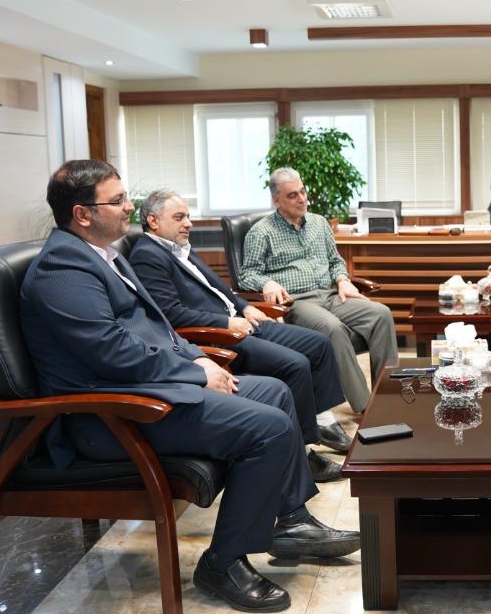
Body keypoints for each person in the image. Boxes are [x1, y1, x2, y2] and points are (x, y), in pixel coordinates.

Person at [20, 160, 359, 612]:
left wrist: (197, 356)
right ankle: (222, 563)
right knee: (270, 428)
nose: (130, 207)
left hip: (148, 388)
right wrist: (196, 373)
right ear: (82, 214)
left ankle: (292, 520)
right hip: (110, 415)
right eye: (118, 200)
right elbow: (110, 351)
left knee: (276, 392)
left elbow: (158, 325)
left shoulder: (103, 253)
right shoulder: (62, 268)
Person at [129, 188, 352, 483]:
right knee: (296, 364)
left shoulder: (178, 247)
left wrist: (245, 306)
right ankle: (303, 452)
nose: (189, 224)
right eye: (179, 217)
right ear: (153, 221)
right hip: (219, 336)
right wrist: (226, 321)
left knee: (318, 343)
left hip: (240, 321)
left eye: (188, 217)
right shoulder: (147, 256)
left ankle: (319, 422)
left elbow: (219, 289)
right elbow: (170, 314)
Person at [238, 168, 398, 412]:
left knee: (381, 314)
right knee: (333, 328)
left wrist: (343, 279)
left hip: (331, 295)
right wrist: (266, 283)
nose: (302, 199)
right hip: (297, 302)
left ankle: (387, 396)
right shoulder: (261, 232)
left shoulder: (319, 223)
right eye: (292, 195)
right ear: (277, 200)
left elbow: (335, 261)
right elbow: (247, 274)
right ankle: (367, 408)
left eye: (302, 191)